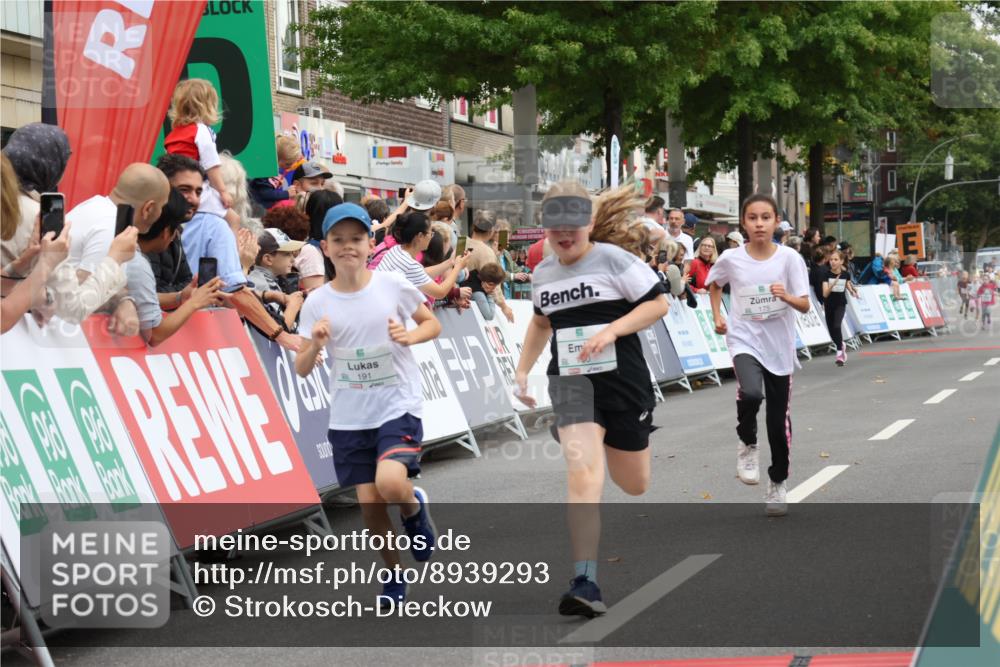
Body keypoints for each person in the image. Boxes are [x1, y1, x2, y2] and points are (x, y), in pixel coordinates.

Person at [513, 182, 669, 618]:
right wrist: (522, 371)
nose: (564, 234)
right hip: (571, 382)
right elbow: (542, 324)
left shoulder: (614, 260)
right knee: (583, 476)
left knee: (634, 483)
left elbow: (658, 305)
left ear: (589, 223)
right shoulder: (543, 272)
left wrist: (611, 330)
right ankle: (585, 581)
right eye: (555, 225)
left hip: (623, 383)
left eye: (573, 225)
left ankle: (603, 437)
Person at [295, 202, 440, 608]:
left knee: (391, 483)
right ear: (325, 247)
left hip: (397, 403)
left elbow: (432, 323)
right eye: (338, 240)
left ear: (369, 241)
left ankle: (413, 509)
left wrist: (410, 337)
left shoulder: (391, 284)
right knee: (370, 506)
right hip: (349, 415)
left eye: (356, 239)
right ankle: (393, 577)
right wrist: (317, 345)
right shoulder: (316, 302)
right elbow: (302, 367)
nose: (348, 247)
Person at [707, 193, 810, 517]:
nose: (759, 223)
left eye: (766, 217)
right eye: (753, 218)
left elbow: (805, 304)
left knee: (778, 423)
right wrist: (717, 316)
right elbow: (714, 284)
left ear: (776, 221)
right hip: (744, 340)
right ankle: (747, 442)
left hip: (778, 347)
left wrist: (787, 296)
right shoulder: (732, 258)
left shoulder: (790, 259)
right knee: (751, 393)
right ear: (743, 222)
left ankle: (777, 481)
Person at [131, 189, 224, 345]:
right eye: (177, 230)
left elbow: (141, 297)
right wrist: (194, 302)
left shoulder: (126, 251)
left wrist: (180, 297)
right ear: (167, 232)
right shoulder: (137, 264)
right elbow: (155, 335)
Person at [163, 79, 233, 223]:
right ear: (206, 106)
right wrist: (223, 192)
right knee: (234, 219)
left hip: (176, 191)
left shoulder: (173, 135)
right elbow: (211, 165)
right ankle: (234, 246)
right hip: (199, 190)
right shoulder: (201, 131)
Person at [375, 211, 469, 304]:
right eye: (430, 233)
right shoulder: (409, 264)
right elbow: (440, 292)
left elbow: (423, 273)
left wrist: (451, 261)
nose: (431, 237)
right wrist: (458, 267)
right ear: (420, 236)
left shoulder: (397, 250)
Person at [462, 210, 515, 323]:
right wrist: (504, 306)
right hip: (476, 298)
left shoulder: (461, 242)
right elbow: (493, 282)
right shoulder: (487, 252)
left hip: (459, 295)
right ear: (491, 231)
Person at [249, 228, 306, 332]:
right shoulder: (259, 282)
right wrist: (294, 306)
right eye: (287, 254)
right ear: (268, 259)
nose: (293, 259)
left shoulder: (271, 279)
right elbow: (277, 330)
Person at [262, 204, 325, 291]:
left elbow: (315, 293)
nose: (292, 259)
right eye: (287, 253)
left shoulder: (309, 251)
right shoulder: (261, 280)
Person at [822, 249, 858, 366]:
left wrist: (853, 291)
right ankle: (841, 345)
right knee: (832, 332)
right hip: (828, 305)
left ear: (841, 261)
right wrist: (833, 284)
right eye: (831, 259)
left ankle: (839, 353)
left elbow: (847, 284)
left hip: (840, 304)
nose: (833, 262)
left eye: (836, 259)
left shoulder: (845, 274)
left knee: (837, 326)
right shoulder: (826, 275)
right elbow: (825, 294)